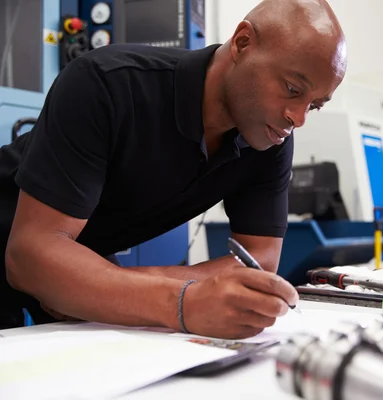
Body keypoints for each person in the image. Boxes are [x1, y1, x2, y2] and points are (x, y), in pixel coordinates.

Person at [0, 0, 347, 338]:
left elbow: (258, 262)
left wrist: (112, 285)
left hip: (70, 264)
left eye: (313, 105)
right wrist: (181, 302)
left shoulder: (270, 138)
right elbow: (30, 254)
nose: (297, 118)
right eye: (292, 89)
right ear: (243, 43)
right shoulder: (108, 83)